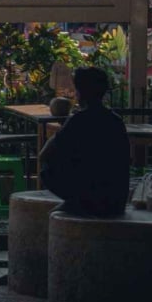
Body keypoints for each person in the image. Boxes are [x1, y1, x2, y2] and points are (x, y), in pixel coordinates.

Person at [39, 66, 131, 216]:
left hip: (91, 201)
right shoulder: (115, 120)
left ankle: (76, 200)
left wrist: (62, 130)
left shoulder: (78, 120)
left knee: (48, 167)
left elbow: (44, 155)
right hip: (116, 201)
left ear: (80, 93)